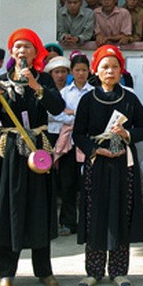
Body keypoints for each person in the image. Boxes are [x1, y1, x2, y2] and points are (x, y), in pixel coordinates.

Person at [0, 28, 65, 286]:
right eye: (17, 47)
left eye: (27, 47)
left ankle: (43, 269)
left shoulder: (43, 79)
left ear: (36, 52)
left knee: (40, 208)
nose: (22, 51)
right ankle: (6, 273)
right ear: (12, 51)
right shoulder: (1, 79)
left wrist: (35, 86)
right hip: (11, 153)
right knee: (9, 209)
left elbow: (56, 107)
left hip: (38, 151)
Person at [72, 45, 143, 286]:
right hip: (97, 161)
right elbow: (78, 134)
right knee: (95, 213)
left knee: (120, 213)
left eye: (115, 66)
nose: (110, 71)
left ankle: (118, 271)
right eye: (105, 66)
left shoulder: (129, 98)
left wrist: (126, 133)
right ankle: (93, 271)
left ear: (121, 70)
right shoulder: (88, 99)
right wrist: (95, 150)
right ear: (96, 70)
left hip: (122, 163)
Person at [50, 52, 93, 236]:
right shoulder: (64, 92)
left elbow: (94, 116)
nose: (81, 73)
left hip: (86, 141)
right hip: (68, 142)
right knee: (67, 183)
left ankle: (87, 221)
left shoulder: (94, 92)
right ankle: (68, 222)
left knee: (87, 183)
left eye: (84, 70)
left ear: (89, 71)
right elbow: (54, 114)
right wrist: (76, 116)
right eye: (77, 70)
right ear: (71, 72)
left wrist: (71, 114)